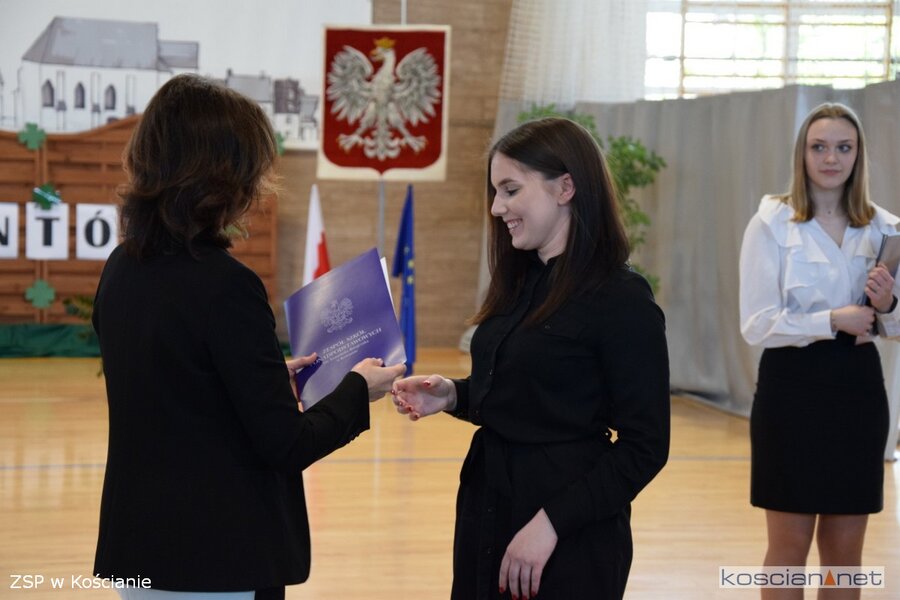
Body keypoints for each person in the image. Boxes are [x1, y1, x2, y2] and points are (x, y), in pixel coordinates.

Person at [91, 74, 406, 600]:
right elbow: (287, 444)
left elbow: (173, 384)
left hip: (139, 549)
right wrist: (356, 388)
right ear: (226, 175)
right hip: (217, 558)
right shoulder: (225, 285)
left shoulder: (121, 267)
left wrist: (255, 375)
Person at [391, 117, 671, 599]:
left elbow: (645, 447)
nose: (496, 207)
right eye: (495, 192)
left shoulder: (621, 298)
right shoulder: (521, 281)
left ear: (565, 188)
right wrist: (454, 395)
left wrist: (551, 524)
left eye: (510, 190)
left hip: (567, 529)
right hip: (488, 505)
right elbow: (529, 394)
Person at [739, 102, 896, 600]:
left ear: (858, 155)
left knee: (844, 555)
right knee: (788, 549)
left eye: (843, 147)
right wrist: (831, 319)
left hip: (858, 392)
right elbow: (756, 324)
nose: (831, 158)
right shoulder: (771, 222)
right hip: (790, 391)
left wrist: (887, 304)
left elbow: (894, 323)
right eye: (819, 147)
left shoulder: (885, 228)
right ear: (802, 153)